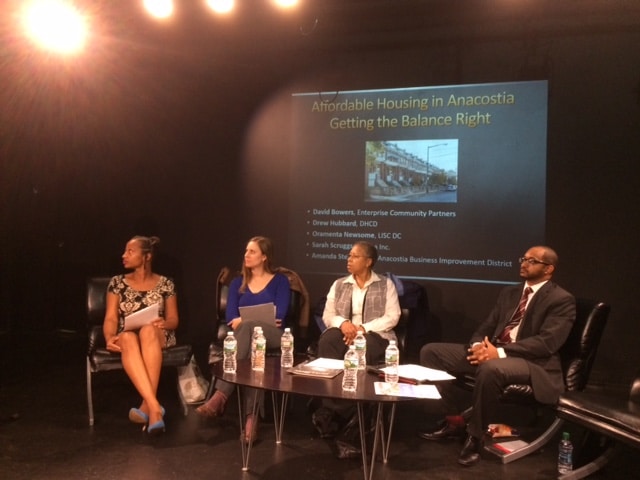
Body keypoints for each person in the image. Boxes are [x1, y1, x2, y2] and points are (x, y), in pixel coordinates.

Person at [418, 245, 576, 466]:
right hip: (492, 353)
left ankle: (475, 436)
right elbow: (487, 326)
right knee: (431, 352)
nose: (523, 263)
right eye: (523, 258)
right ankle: (454, 421)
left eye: (532, 261)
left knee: (491, 368)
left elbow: (547, 343)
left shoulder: (561, 299)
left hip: (531, 362)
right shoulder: (510, 293)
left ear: (548, 269)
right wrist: (476, 346)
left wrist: (499, 352)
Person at [196, 236, 290, 444]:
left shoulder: (280, 281)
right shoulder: (238, 282)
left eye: (252, 252)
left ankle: (220, 396)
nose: (246, 255)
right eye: (246, 251)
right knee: (253, 356)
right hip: (249, 340)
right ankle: (251, 419)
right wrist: (249, 322)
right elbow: (231, 318)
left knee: (248, 327)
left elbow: (279, 317)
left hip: (275, 337)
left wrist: (246, 321)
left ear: (264, 257)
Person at [313, 241, 401, 439]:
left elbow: (392, 317)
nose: (349, 259)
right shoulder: (339, 284)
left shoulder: (386, 285)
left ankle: (353, 410)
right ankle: (331, 405)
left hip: (375, 335)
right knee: (328, 340)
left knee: (365, 345)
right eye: (349, 255)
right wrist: (344, 323)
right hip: (344, 333)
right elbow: (328, 315)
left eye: (354, 256)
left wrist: (362, 328)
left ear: (368, 261)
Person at [103, 235, 179, 435]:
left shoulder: (165, 283)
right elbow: (111, 318)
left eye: (130, 251)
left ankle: (147, 406)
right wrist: (109, 336)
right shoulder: (117, 282)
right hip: (129, 334)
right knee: (127, 337)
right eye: (125, 251)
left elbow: (174, 319)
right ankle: (154, 408)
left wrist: (164, 323)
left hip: (158, 334)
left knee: (147, 331)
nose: (124, 255)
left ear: (146, 257)